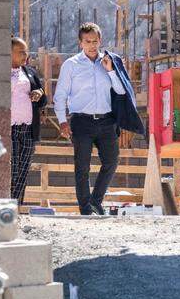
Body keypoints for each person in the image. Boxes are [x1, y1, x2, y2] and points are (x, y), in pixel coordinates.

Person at [53, 22, 144, 215]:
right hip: (81, 122)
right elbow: (60, 95)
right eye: (88, 41)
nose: (92, 45)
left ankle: (95, 201)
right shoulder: (71, 65)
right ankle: (86, 208)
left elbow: (121, 91)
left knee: (111, 161)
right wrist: (62, 120)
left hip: (107, 121)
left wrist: (110, 70)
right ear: (80, 43)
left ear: (100, 40)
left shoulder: (111, 61)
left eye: (95, 41)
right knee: (82, 167)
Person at [10, 38, 47, 205]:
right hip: (9, 130)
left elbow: (43, 99)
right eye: (21, 52)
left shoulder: (30, 73)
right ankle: (7, 206)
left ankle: (16, 207)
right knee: (12, 170)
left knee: (23, 170)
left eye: (26, 51)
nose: (26, 55)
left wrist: (39, 93)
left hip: (28, 130)